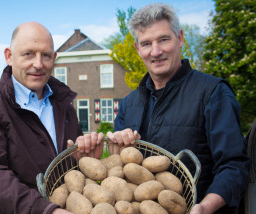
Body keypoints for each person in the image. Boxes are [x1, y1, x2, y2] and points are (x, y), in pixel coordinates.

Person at [107, 3, 250, 214]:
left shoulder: (213, 92)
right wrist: (116, 149)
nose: (156, 51)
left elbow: (234, 166)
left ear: (180, 38)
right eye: (146, 43)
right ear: (138, 49)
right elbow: (119, 171)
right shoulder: (129, 104)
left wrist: (205, 207)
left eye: (163, 39)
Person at [0, 21, 103, 214]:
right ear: (9, 56)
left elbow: (70, 174)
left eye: (45, 55)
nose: (38, 64)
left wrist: (82, 160)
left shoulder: (65, 108)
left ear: (54, 58)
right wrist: (46, 210)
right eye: (28, 54)